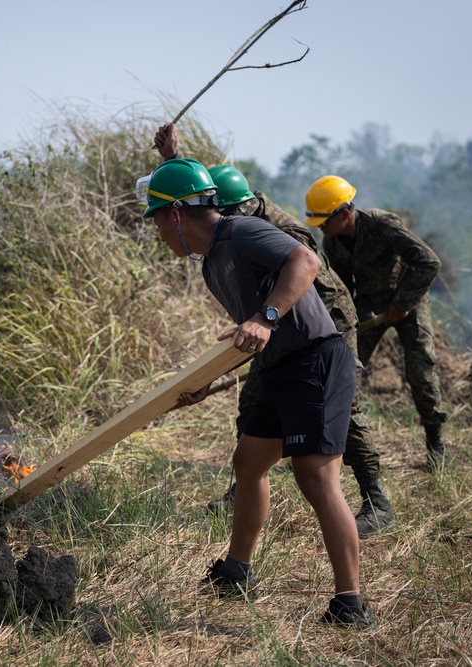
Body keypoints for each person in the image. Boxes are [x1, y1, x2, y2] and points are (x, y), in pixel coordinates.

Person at [139, 157, 376, 627]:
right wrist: (208, 379)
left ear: (176, 214)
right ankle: (237, 571)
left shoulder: (241, 231)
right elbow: (251, 333)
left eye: (157, 221)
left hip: (316, 359)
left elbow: (305, 261)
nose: (159, 233)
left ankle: (351, 603)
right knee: (248, 463)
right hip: (277, 367)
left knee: (315, 476)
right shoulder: (211, 264)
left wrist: (266, 317)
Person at [153, 123, 393, 538]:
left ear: (236, 209)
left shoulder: (267, 229)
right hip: (278, 333)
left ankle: (375, 497)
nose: (215, 219)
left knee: (339, 412)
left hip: (323, 324)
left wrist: (268, 320)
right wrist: (171, 160)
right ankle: (245, 486)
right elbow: (188, 203)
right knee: (254, 407)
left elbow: (305, 275)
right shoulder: (225, 229)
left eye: (221, 212)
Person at [304, 175, 448, 468]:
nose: (321, 229)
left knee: (421, 372)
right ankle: (338, 442)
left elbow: (429, 263)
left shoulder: (382, 224)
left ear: (344, 214)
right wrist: (346, 319)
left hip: (408, 301)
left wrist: (402, 303)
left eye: (324, 222)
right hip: (369, 308)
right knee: (345, 368)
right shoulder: (332, 242)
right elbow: (343, 287)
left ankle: (436, 443)